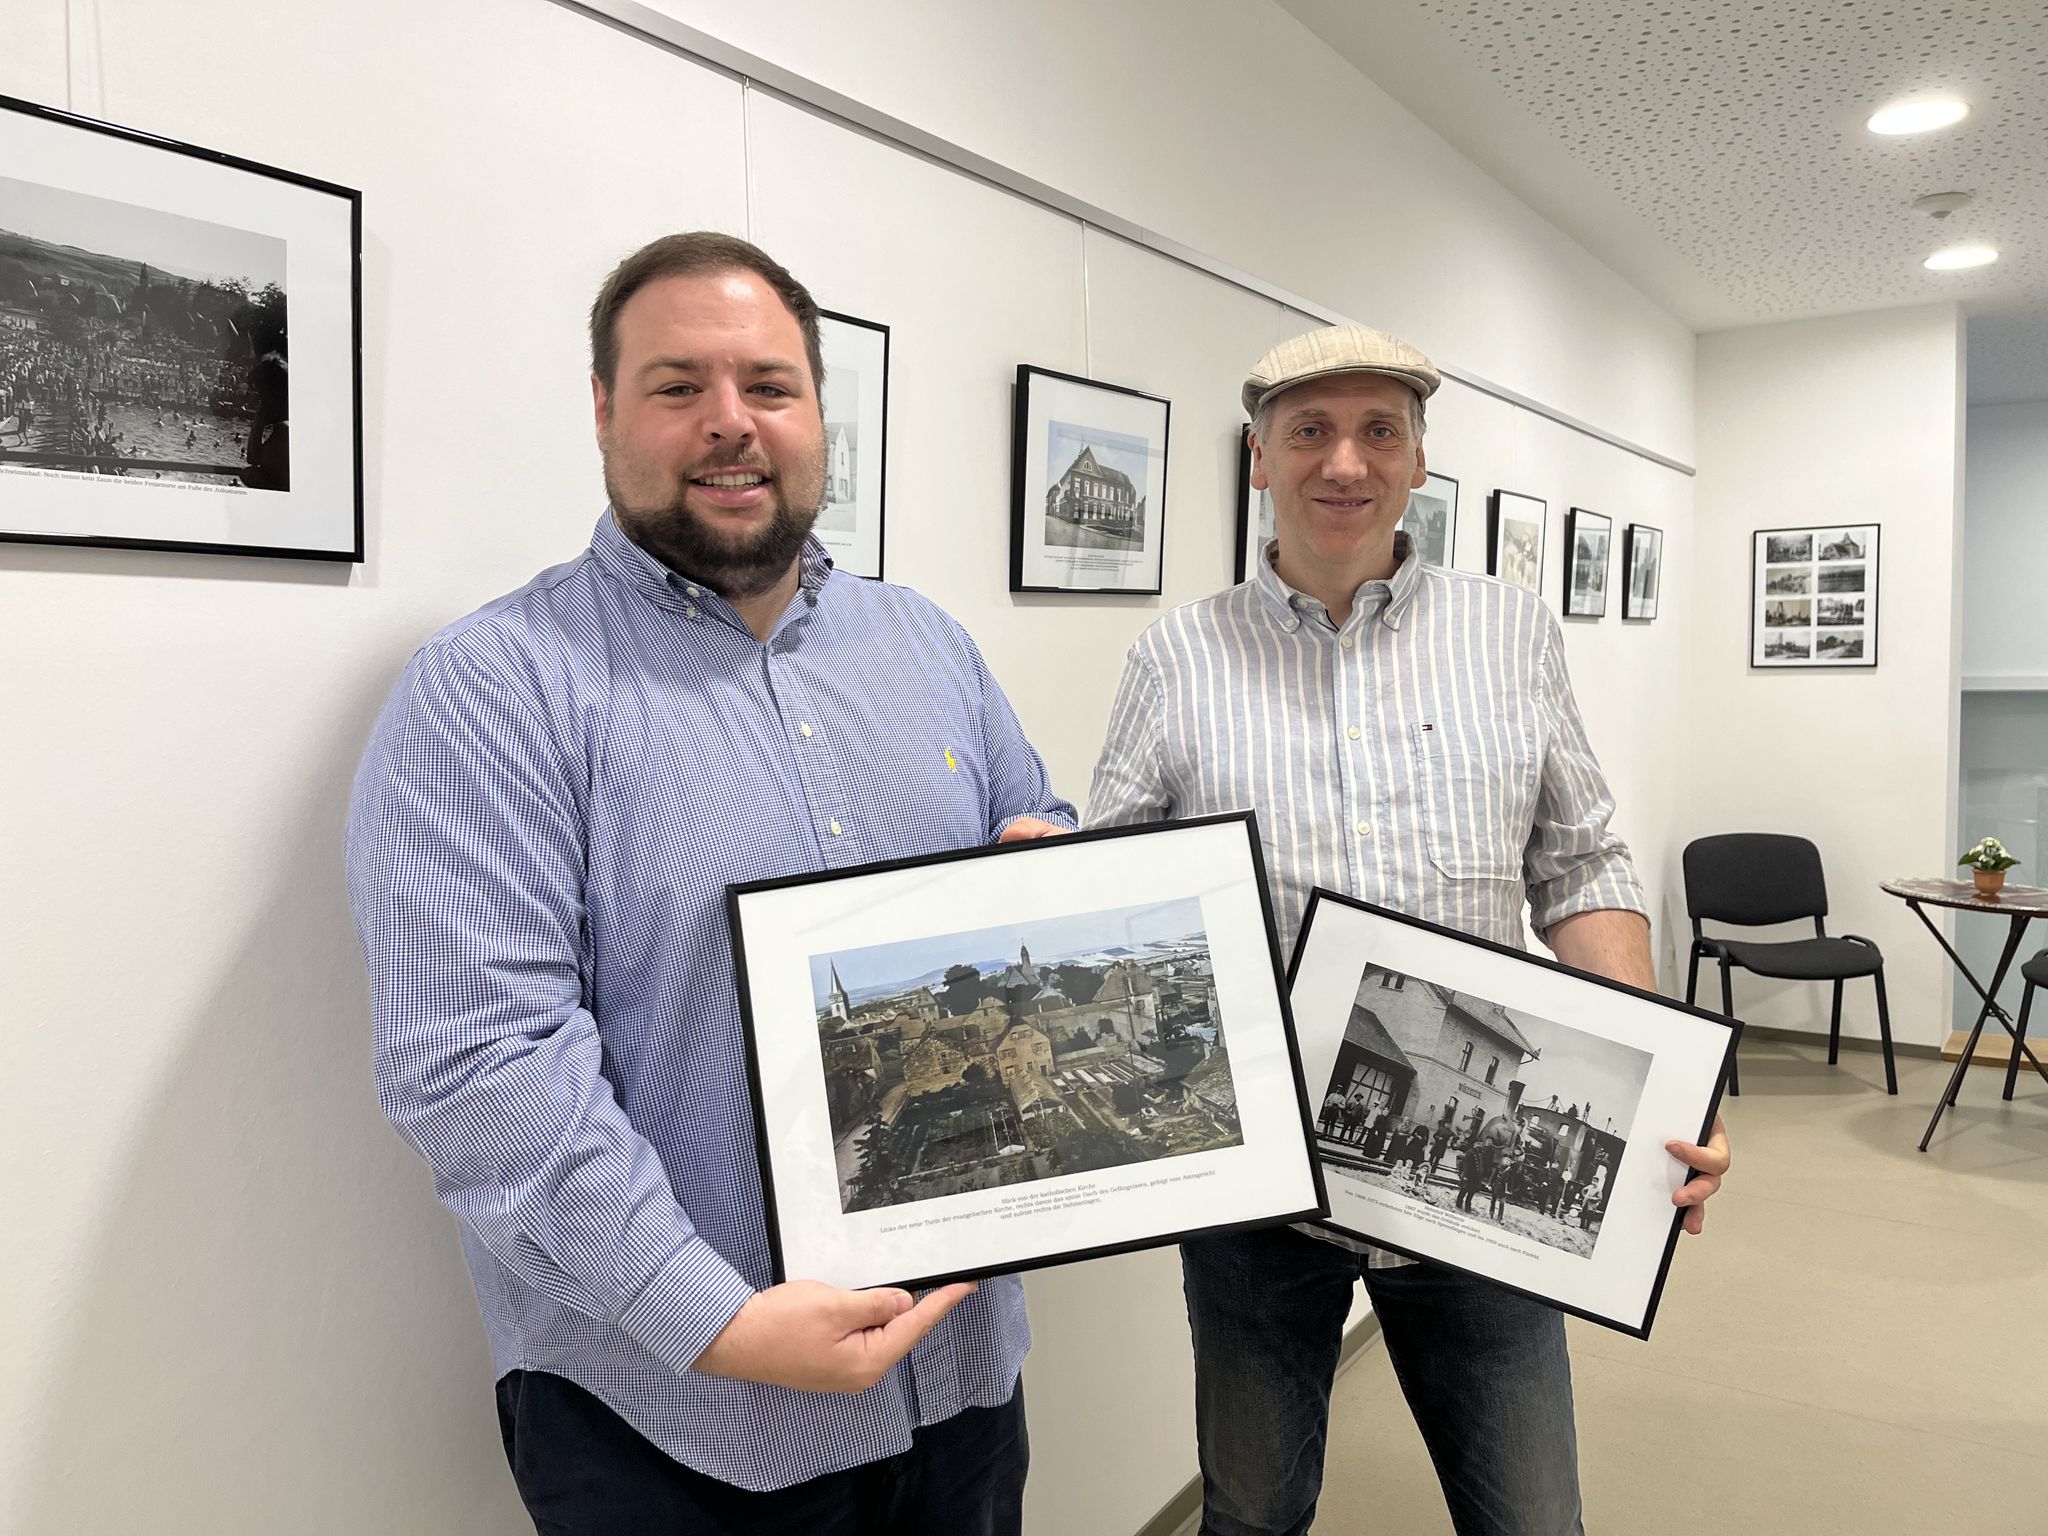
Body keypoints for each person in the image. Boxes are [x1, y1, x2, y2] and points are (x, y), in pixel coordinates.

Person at [347, 232, 1074, 1535]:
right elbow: (479, 1066)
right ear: (603, 410)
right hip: (675, 1417)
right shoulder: (494, 687)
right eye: (678, 385)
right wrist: (714, 1320)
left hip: (960, 1378)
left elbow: (1037, 829)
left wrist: (1052, 875)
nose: (731, 422)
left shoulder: (930, 646)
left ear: (817, 414)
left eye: (769, 386)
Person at [1087, 323, 1732, 1536]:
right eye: (1308, 431)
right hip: (1258, 1191)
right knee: (1251, 1514)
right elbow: (1121, 894)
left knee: (1530, 1519)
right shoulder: (1175, 656)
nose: (1344, 461)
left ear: (1419, 457)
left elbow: (1578, 863)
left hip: (1468, 1204)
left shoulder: (1509, 633)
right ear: (1257, 458)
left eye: (1377, 430)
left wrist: (1662, 1080)